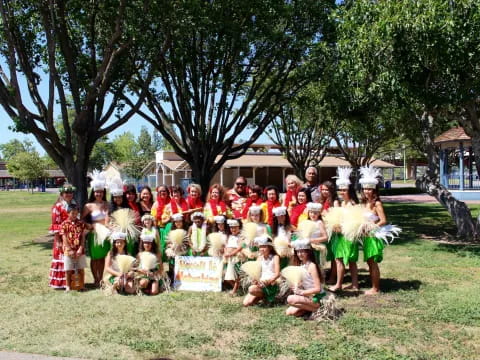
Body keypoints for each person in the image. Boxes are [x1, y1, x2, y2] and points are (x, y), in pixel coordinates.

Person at [329, 167, 359, 292]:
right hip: (339, 235)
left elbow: (355, 221)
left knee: (344, 259)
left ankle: (340, 285)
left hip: (347, 235)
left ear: (349, 190)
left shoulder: (352, 203)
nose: (341, 192)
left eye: (344, 190)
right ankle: (353, 284)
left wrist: (343, 229)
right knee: (341, 259)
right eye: (340, 190)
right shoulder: (341, 203)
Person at [360, 166, 387, 295]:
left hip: (373, 236)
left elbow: (383, 220)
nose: (367, 191)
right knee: (369, 262)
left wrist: (372, 227)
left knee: (373, 262)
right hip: (366, 236)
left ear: (374, 189)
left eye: (370, 189)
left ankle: (375, 288)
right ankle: (373, 286)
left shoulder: (377, 204)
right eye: (365, 188)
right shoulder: (365, 203)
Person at [82, 170, 110, 287]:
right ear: (93, 192)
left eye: (101, 192)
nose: (99, 194)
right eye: (96, 192)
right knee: (95, 257)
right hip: (94, 234)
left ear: (103, 192)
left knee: (103, 257)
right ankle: (95, 279)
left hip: (106, 233)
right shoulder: (88, 206)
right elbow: (81, 219)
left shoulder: (107, 204)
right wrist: (89, 226)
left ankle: (101, 278)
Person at [285, 239, 325, 317]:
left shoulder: (312, 266)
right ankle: (310, 309)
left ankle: (319, 309)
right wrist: (296, 286)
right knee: (289, 312)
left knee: (290, 299)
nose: (300, 254)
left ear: (308, 252)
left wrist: (301, 292)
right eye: (298, 251)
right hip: (307, 296)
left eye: (303, 251)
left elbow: (318, 289)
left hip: (317, 297)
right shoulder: (301, 265)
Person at [48, 184, 76, 289]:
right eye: (66, 193)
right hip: (61, 237)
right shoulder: (58, 207)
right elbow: (55, 224)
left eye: (70, 192)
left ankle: (72, 281)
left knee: (71, 258)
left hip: (73, 237)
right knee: (62, 258)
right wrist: (59, 240)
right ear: (62, 194)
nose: (69, 195)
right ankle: (61, 283)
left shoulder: (74, 204)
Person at [243, 235, 280, 306]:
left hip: (271, 283)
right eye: (260, 247)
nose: (262, 249)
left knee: (251, 289)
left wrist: (268, 281)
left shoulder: (275, 257)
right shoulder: (259, 258)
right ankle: (264, 297)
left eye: (264, 246)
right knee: (246, 303)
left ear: (270, 247)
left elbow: (277, 274)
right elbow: (257, 272)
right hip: (261, 284)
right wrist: (255, 280)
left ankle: (268, 296)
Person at [61, 204, 87, 292]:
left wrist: (81, 248)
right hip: (69, 250)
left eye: (76, 214)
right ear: (68, 213)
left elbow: (83, 237)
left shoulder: (81, 223)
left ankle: (82, 285)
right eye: (72, 213)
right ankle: (68, 285)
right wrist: (69, 249)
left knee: (81, 269)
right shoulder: (64, 224)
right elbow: (64, 238)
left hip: (79, 250)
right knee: (68, 269)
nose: (74, 215)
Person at [223, 219, 244, 295]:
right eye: (231, 228)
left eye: (235, 227)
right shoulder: (229, 236)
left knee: (236, 275)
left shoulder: (241, 237)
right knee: (228, 277)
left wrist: (231, 254)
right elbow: (225, 246)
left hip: (236, 258)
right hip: (229, 258)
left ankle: (234, 290)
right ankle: (239, 288)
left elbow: (240, 247)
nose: (233, 229)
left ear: (239, 227)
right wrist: (225, 252)